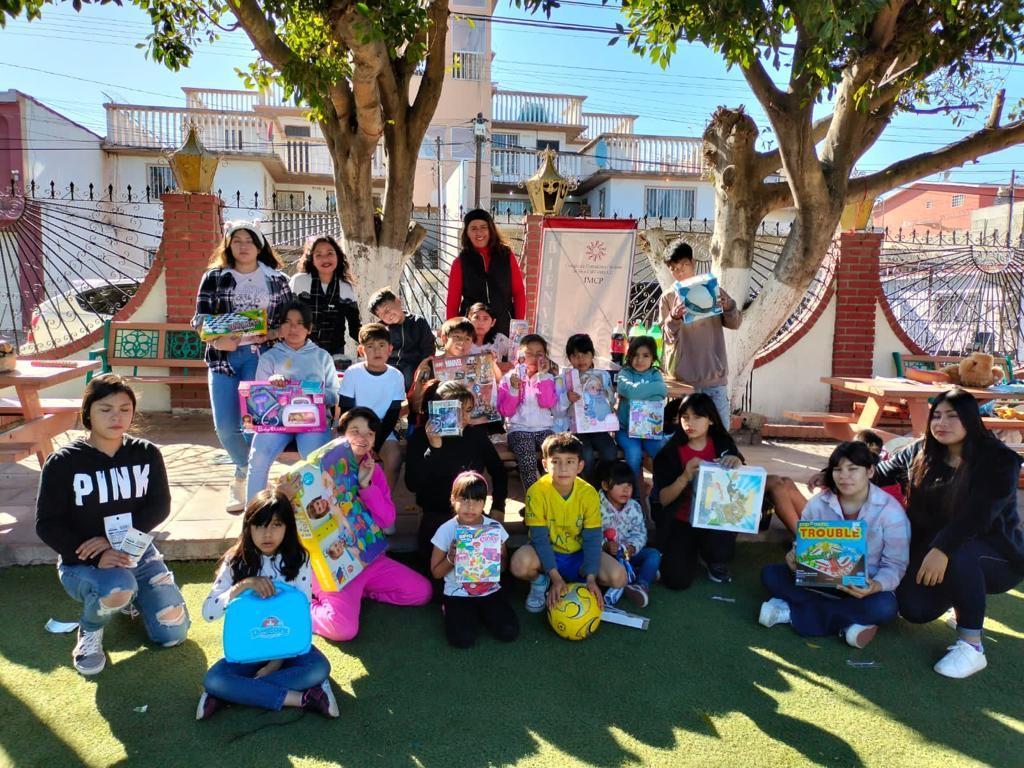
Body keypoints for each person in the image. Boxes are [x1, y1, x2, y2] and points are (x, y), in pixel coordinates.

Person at [35, 374, 190, 676]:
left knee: (173, 634)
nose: (116, 416)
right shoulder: (63, 462)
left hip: (136, 552)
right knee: (117, 586)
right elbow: (47, 524)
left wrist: (116, 541)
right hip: (84, 563)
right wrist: (97, 553)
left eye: (124, 408)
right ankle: (91, 631)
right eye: (105, 409)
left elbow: (159, 506)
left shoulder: (146, 453)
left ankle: (131, 599)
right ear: (87, 414)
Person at [873, 389, 1024, 678]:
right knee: (914, 609)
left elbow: (979, 515)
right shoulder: (921, 451)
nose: (942, 423)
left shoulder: (999, 460)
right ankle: (962, 596)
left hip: (996, 556)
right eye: (937, 415)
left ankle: (971, 645)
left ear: (971, 419)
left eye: (953, 416)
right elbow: (879, 472)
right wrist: (835, 475)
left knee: (960, 554)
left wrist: (942, 548)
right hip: (933, 550)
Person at [196, 490, 338, 720]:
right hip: (247, 651)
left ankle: (230, 693)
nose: (267, 534)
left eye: (276, 525)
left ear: (287, 527)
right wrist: (242, 586)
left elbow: (300, 616)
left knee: (319, 668)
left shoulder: (298, 559)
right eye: (260, 525)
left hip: (289, 650)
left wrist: (274, 664)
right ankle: (303, 698)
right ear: (248, 528)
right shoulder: (236, 561)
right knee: (213, 679)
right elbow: (208, 612)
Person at [758, 441, 911, 648]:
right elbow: (804, 544)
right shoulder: (819, 503)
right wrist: (795, 558)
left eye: (853, 469)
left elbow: (895, 566)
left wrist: (875, 586)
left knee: (885, 607)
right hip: (818, 582)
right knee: (770, 574)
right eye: (838, 469)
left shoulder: (890, 512)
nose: (844, 476)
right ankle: (848, 622)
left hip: (861, 589)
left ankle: (793, 612)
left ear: (870, 471)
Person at [193, 220, 292, 512]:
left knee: (254, 426)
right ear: (228, 245)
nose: (243, 245)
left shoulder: (277, 279)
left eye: (249, 240)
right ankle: (244, 469)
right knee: (225, 427)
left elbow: (289, 321)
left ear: (259, 245)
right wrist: (216, 339)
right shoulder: (214, 277)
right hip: (222, 359)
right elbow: (199, 319)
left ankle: (249, 481)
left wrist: (271, 333)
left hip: (260, 358)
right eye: (237, 240)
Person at [310, 408, 432, 642]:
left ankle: (363, 591)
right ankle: (307, 603)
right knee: (342, 630)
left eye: (370, 434)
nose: (363, 439)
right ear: (341, 434)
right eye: (355, 431)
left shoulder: (373, 470)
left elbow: (387, 521)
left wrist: (367, 488)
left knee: (422, 592)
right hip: (335, 566)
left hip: (369, 559)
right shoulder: (318, 469)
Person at [510, 433, 627, 613]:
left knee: (619, 577)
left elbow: (593, 537)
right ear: (545, 465)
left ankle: (581, 583)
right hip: (548, 553)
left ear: (580, 466)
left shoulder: (588, 493)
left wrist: (591, 577)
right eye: (555, 461)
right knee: (519, 563)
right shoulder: (536, 492)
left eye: (570, 462)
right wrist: (555, 577)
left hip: (578, 555)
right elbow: (540, 539)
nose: (563, 468)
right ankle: (542, 583)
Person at [245, 300, 339, 503]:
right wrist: (271, 385)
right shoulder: (269, 358)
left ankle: (318, 518)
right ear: (281, 326)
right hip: (277, 424)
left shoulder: (322, 357)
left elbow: (334, 395)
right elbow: (257, 400)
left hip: (312, 423)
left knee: (315, 460)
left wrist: (311, 391)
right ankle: (253, 515)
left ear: (309, 328)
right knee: (258, 456)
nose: (293, 328)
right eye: (288, 322)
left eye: (299, 323)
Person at [405, 381, 508, 566]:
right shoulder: (420, 438)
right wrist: (434, 447)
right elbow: (413, 484)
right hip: (436, 515)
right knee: (435, 576)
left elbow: (499, 471)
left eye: (468, 411)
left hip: (471, 513)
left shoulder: (475, 436)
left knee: (483, 573)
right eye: (455, 411)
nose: (463, 418)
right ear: (438, 409)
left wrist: (499, 506)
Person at [653, 392, 744, 587]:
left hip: (715, 520)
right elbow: (663, 499)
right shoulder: (669, 452)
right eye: (685, 417)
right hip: (681, 520)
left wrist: (737, 462)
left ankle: (713, 558)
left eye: (697, 417)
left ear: (710, 419)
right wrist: (685, 477)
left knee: (721, 549)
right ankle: (687, 550)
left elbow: (740, 485)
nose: (689, 423)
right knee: (676, 581)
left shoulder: (723, 443)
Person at [429, 472, 519, 648]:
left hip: (490, 590)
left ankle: (481, 613)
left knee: (509, 632)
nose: (470, 507)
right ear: (453, 500)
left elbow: (503, 567)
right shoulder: (446, 530)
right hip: (457, 593)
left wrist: (496, 558)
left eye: (477, 500)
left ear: (484, 502)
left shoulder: (494, 528)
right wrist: (451, 558)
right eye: (464, 499)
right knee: (462, 640)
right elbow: (436, 573)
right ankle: (452, 610)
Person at [658, 241, 741, 427]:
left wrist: (729, 306)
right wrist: (674, 317)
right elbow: (666, 337)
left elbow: (735, 323)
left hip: (714, 376)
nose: (679, 272)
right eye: (674, 268)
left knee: (720, 431)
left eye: (684, 266)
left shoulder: (713, 289)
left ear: (693, 263)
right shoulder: (668, 297)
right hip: (685, 380)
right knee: (688, 432)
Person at [339, 323, 406, 489]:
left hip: (383, 429)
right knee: (346, 460)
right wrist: (359, 437)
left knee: (394, 457)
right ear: (361, 350)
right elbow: (346, 410)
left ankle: (383, 501)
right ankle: (350, 500)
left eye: (382, 345)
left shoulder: (396, 376)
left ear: (390, 349)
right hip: (355, 428)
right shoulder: (352, 373)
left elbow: (393, 413)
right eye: (371, 346)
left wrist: (375, 443)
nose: (377, 351)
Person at [445, 208, 526, 337]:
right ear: (467, 233)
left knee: (502, 358)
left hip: (504, 326)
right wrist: (451, 330)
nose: (479, 232)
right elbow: (453, 300)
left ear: (490, 230)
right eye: (473, 228)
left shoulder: (507, 256)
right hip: (471, 330)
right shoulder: (460, 262)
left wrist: (519, 324)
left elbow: (519, 292)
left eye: (483, 227)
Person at [497, 334, 558, 493]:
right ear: (520, 355)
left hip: (544, 428)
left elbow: (547, 403)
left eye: (540, 354)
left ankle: (553, 498)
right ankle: (534, 499)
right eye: (529, 353)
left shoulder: (549, 378)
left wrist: (543, 377)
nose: (534, 358)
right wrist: (514, 388)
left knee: (556, 457)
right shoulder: (509, 378)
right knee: (528, 459)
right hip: (518, 429)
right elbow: (506, 411)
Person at [600, 460, 662, 608]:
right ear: (605, 485)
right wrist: (605, 545)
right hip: (606, 558)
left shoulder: (634, 506)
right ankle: (640, 573)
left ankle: (641, 585)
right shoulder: (595, 505)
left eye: (629, 485)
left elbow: (640, 532)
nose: (626, 490)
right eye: (620, 484)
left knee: (653, 554)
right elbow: (589, 533)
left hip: (627, 554)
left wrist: (633, 547)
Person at [558, 332, 617, 486]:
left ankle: (604, 484)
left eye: (585, 354)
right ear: (569, 358)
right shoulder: (565, 378)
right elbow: (556, 409)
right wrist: (567, 398)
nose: (580, 359)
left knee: (610, 451)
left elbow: (611, 401)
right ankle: (591, 487)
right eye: (575, 355)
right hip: (575, 429)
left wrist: (606, 396)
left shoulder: (602, 376)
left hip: (599, 427)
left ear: (592, 355)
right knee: (586, 455)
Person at [288, 235, 359, 363]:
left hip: (335, 353)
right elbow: (286, 316)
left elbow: (355, 327)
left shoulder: (346, 287)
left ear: (338, 255)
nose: (325, 258)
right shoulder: (299, 282)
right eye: (319, 255)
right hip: (300, 349)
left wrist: (374, 339)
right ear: (312, 259)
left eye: (330, 253)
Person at [615, 335, 668, 501]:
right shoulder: (625, 373)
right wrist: (650, 391)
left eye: (645, 355)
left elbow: (663, 391)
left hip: (649, 429)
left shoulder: (655, 374)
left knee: (661, 452)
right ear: (629, 356)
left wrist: (638, 393)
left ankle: (659, 491)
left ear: (653, 358)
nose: (640, 360)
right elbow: (629, 391)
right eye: (635, 355)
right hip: (625, 431)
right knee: (633, 454)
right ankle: (633, 495)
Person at [408, 316, 477, 423]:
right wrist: (419, 381)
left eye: (467, 338)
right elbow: (415, 406)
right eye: (457, 336)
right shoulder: (430, 365)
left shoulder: (475, 364)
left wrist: (490, 362)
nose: (462, 342)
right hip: (435, 422)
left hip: (468, 422)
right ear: (444, 338)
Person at [367, 286, 436, 391]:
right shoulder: (380, 329)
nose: (387, 316)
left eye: (387, 310)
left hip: (414, 365)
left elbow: (428, 348)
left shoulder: (418, 322)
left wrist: (424, 364)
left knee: (411, 376)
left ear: (398, 301)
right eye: (381, 314)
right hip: (389, 366)